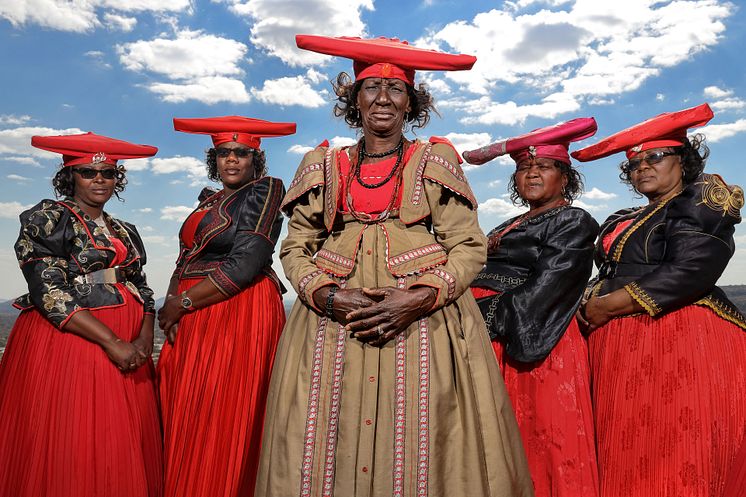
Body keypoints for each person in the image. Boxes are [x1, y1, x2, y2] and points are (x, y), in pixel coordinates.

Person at [256, 35, 533, 497]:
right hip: (331, 325)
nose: (383, 98)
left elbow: (467, 244)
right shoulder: (323, 165)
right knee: (324, 436)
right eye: (371, 88)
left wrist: (419, 297)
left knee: (424, 431)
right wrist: (327, 295)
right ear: (354, 100)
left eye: (396, 89)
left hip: (425, 324)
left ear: (411, 102)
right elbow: (296, 244)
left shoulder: (434, 159)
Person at [572, 103, 746, 497]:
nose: (643, 168)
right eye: (634, 164)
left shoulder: (702, 197)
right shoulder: (623, 217)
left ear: (683, 161)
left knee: (671, 448)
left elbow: (691, 271)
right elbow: (606, 273)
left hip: (679, 337)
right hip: (619, 342)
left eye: (655, 157)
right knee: (626, 447)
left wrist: (603, 307)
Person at [0, 132, 162, 497]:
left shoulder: (124, 229)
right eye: (88, 172)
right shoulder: (48, 218)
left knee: (121, 438)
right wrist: (113, 342)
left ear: (117, 177)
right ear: (69, 175)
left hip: (129, 344)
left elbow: (143, 287)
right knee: (80, 435)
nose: (99, 179)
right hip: (76, 340)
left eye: (107, 172)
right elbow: (49, 290)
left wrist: (142, 338)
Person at [157, 116, 294, 497]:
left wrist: (181, 303)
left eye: (241, 152)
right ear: (213, 159)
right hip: (194, 309)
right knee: (188, 411)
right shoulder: (212, 199)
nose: (232, 159)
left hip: (236, 307)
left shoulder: (265, 191)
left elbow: (246, 264)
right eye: (223, 153)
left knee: (222, 411)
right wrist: (171, 300)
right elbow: (184, 258)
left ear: (256, 158)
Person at [464, 119, 600, 497]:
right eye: (524, 168)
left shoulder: (574, 221)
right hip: (492, 337)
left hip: (537, 335)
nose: (532, 173)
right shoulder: (510, 224)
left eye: (544, 166)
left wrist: (474, 316)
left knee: (542, 437)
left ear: (565, 177)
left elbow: (546, 290)